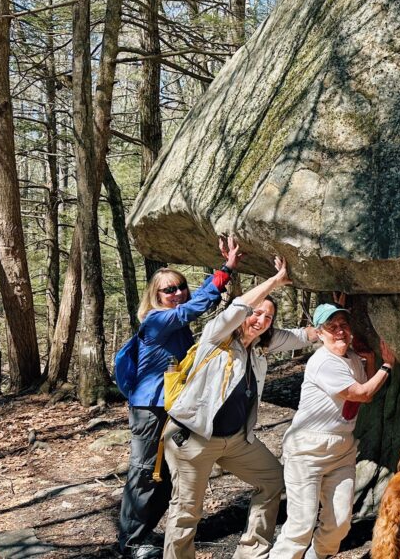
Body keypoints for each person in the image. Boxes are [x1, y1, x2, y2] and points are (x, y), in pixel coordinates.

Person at [163, 256, 318, 559]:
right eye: (256, 313)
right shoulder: (216, 336)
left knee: (273, 480)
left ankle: (252, 552)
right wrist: (275, 280)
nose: (260, 320)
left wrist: (332, 320)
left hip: (235, 440)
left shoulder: (261, 346)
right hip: (193, 439)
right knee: (186, 512)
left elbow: (304, 336)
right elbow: (236, 310)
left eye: (268, 318)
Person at [117, 236, 240, 559]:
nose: (177, 293)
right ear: (155, 296)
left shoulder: (176, 319)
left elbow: (196, 300)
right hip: (150, 408)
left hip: (173, 405)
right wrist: (225, 270)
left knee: (168, 472)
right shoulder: (156, 320)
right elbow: (194, 306)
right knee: (145, 471)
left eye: (179, 286)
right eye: (168, 290)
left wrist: (221, 271)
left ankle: (146, 532)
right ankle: (132, 542)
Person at [270, 303, 395, 559]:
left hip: (342, 451)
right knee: (300, 527)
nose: (339, 331)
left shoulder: (350, 358)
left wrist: (371, 361)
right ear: (320, 333)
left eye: (344, 325)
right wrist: (387, 366)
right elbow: (360, 393)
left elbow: (366, 394)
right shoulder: (323, 362)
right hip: (308, 452)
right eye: (332, 326)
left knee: (339, 524)